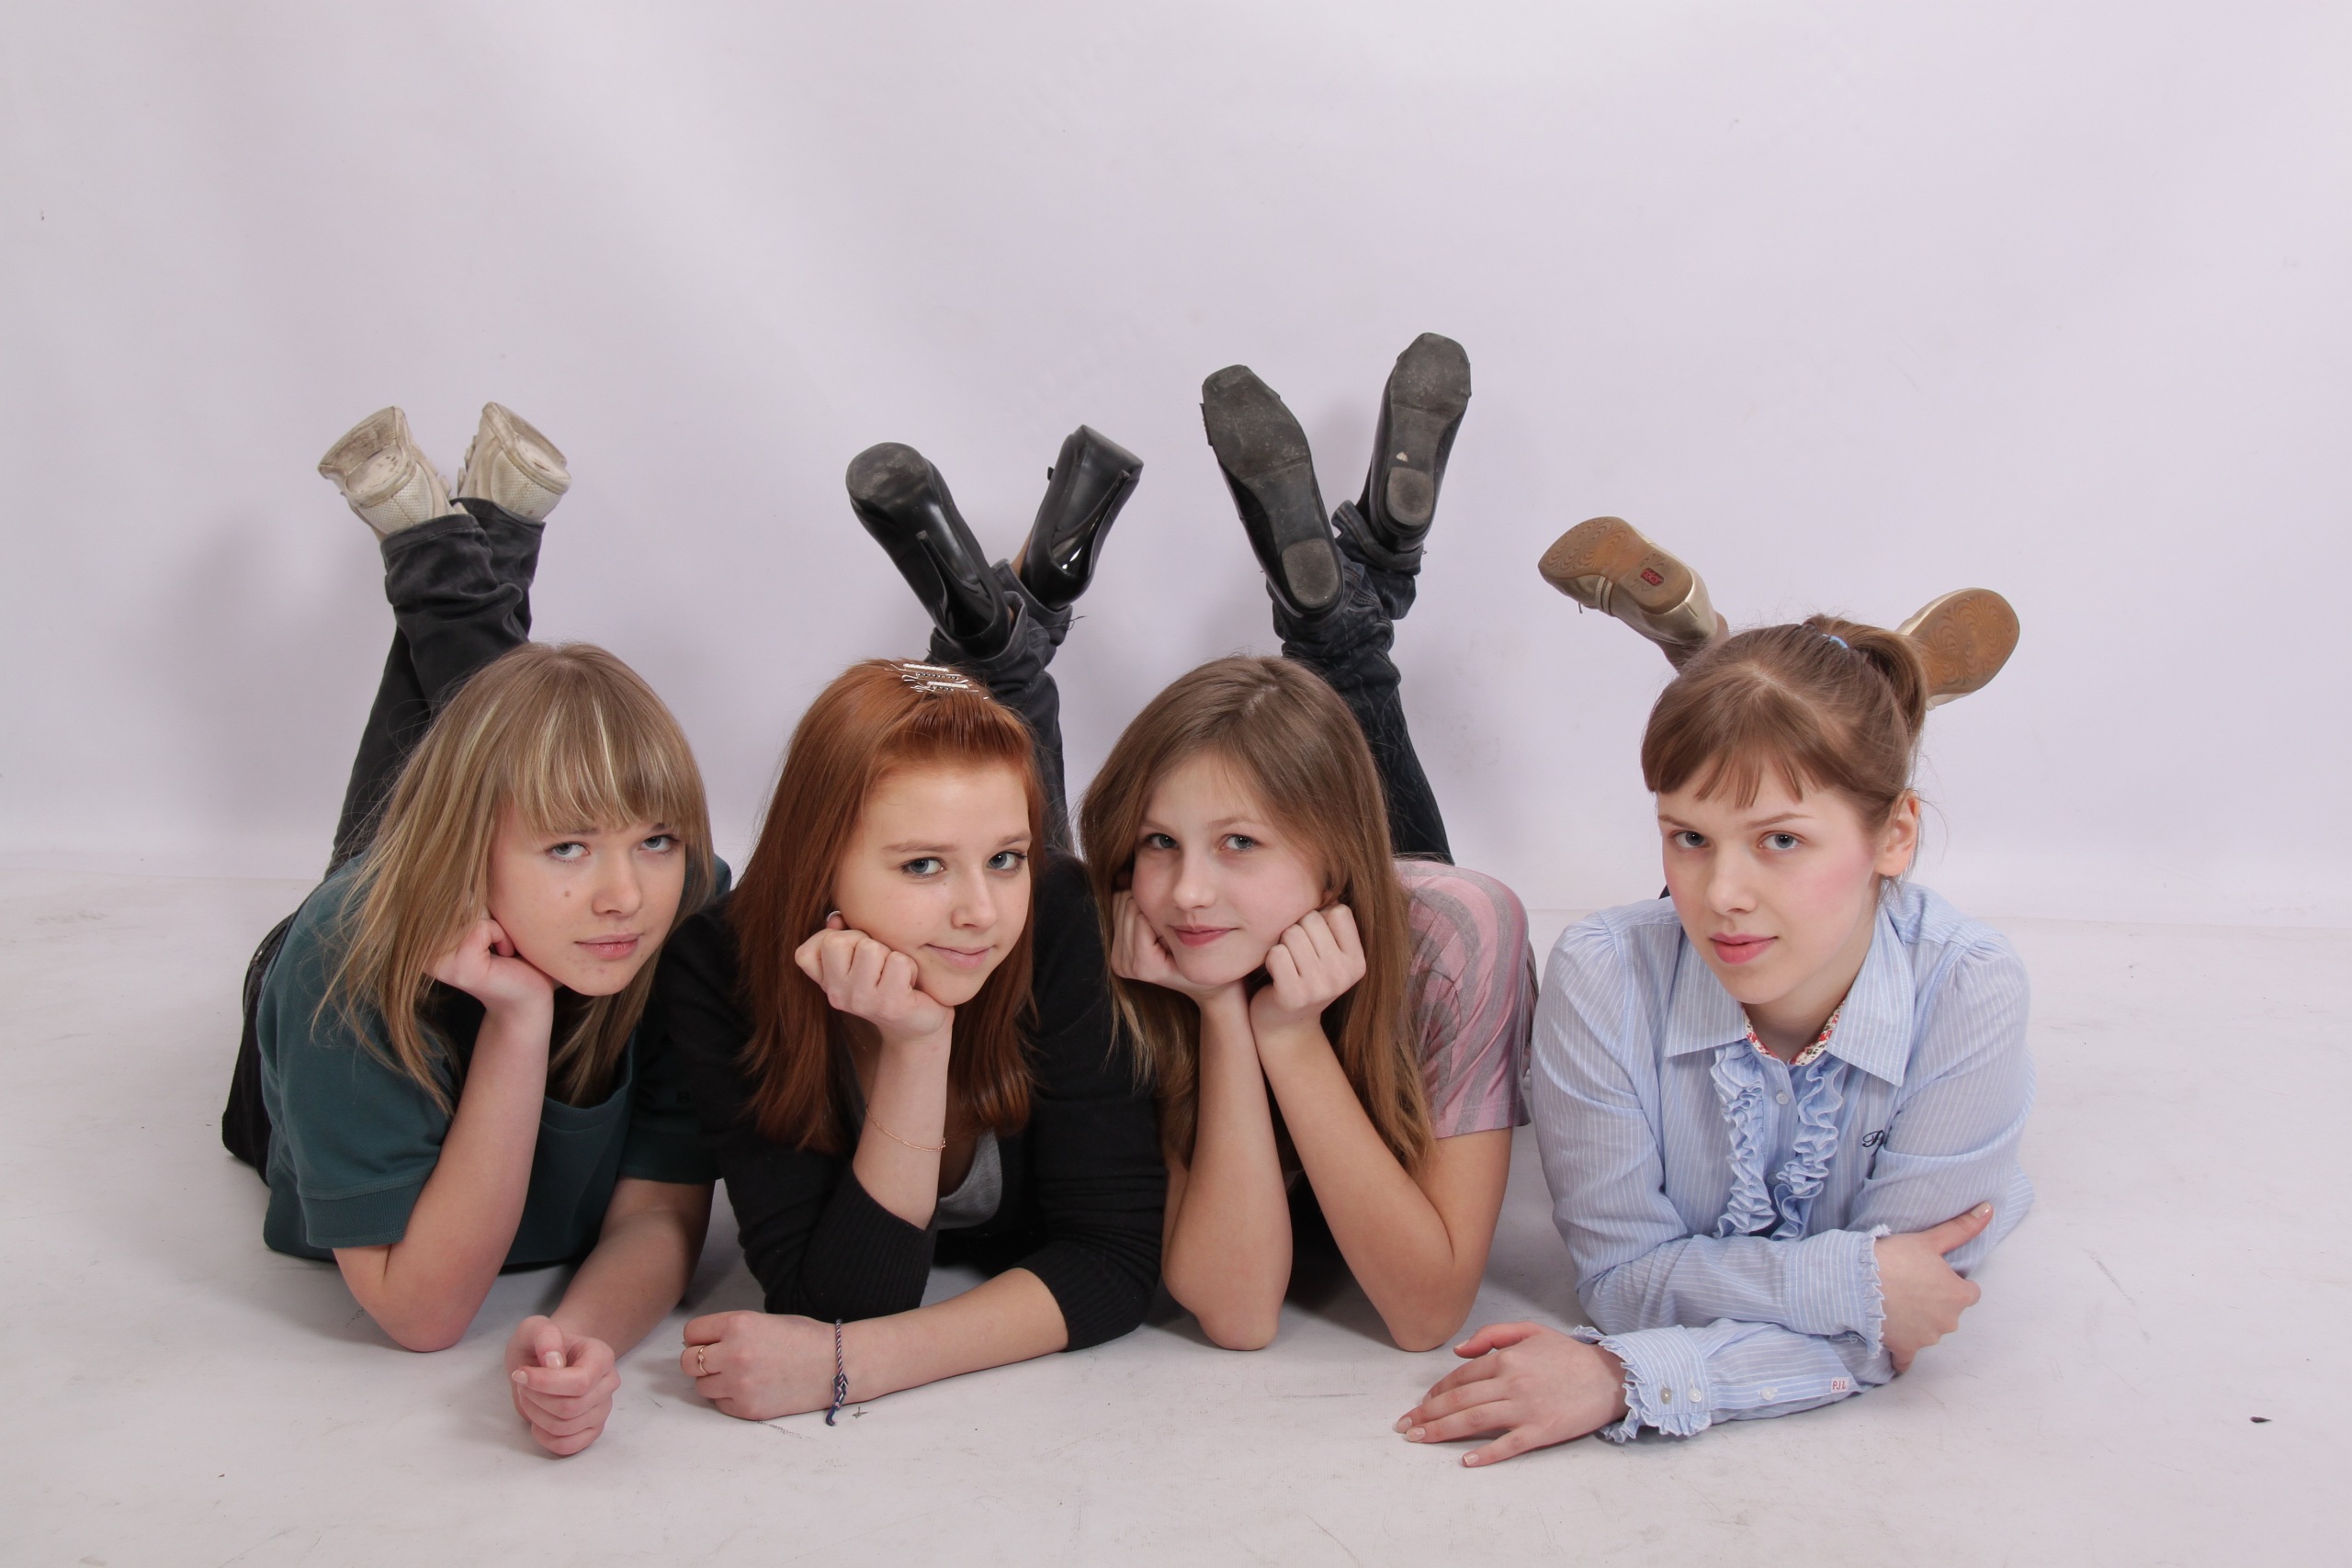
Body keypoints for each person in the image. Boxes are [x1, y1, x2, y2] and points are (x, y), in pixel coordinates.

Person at [1395, 519, 2030, 1463]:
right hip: (1728, 940)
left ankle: (1746, 665)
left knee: (1765, 753)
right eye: (1686, 837)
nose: (1722, 894)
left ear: (1897, 836)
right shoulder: (1601, 971)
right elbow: (1624, 1280)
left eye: (1781, 839)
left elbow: (1906, 1315)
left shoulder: (1970, 988)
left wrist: (1626, 1375)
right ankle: (1793, 678)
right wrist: (1854, 1280)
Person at [222, 404, 720, 1458]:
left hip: (464, 875)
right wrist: (518, 1023)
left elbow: (661, 1211)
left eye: (657, 839)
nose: (625, 896)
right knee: (418, 818)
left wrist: (578, 1341)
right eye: (570, 848)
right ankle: (463, 542)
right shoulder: (338, 966)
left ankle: (454, 542)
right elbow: (422, 1310)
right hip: (363, 936)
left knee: (496, 754)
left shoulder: (687, 912)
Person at [653, 431, 1164, 1422]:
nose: (981, 910)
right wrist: (919, 1045)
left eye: (1003, 858)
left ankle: (1006, 634)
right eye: (922, 865)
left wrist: (854, 1367)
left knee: (1017, 818)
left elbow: (1114, 1261)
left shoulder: (1058, 917)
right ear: (819, 860)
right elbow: (830, 1296)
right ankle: (1015, 622)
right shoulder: (718, 965)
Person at [1080, 336, 1536, 1353]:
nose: (1185, 892)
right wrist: (1224, 1016)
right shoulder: (1135, 940)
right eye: (1157, 841)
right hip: (1321, 886)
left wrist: (1292, 1037)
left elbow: (1424, 1313)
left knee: (1384, 856)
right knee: (1300, 774)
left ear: (1330, 863)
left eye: (1236, 843)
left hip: (1383, 901)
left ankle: (1357, 593)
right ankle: (1356, 590)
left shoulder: (1461, 935)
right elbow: (1236, 1314)